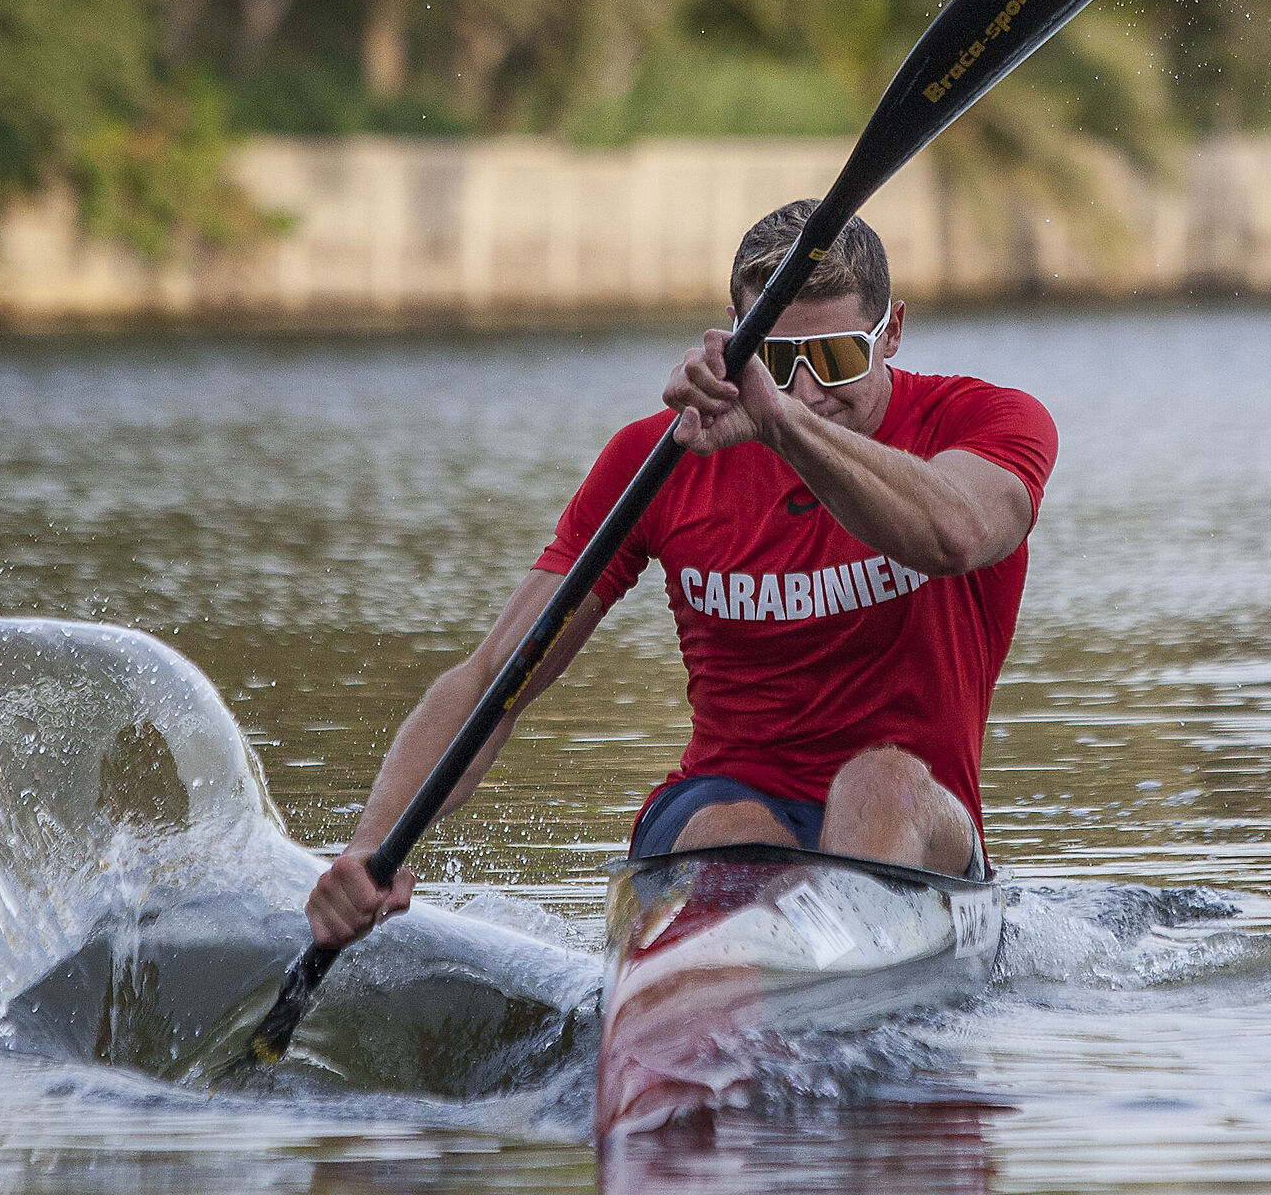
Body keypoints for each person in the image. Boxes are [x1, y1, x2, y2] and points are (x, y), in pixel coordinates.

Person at [304, 199, 1057, 949]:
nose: (807, 392)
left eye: (836, 358)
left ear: (891, 331)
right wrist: (372, 847)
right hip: (721, 812)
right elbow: (493, 677)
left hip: (916, 829)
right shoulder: (657, 459)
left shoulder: (988, 421)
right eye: (778, 361)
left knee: (879, 784)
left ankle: (819, 973)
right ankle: (739, 981)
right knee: (736, 829)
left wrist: (777, 426)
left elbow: (955, 534)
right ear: (734, 334)